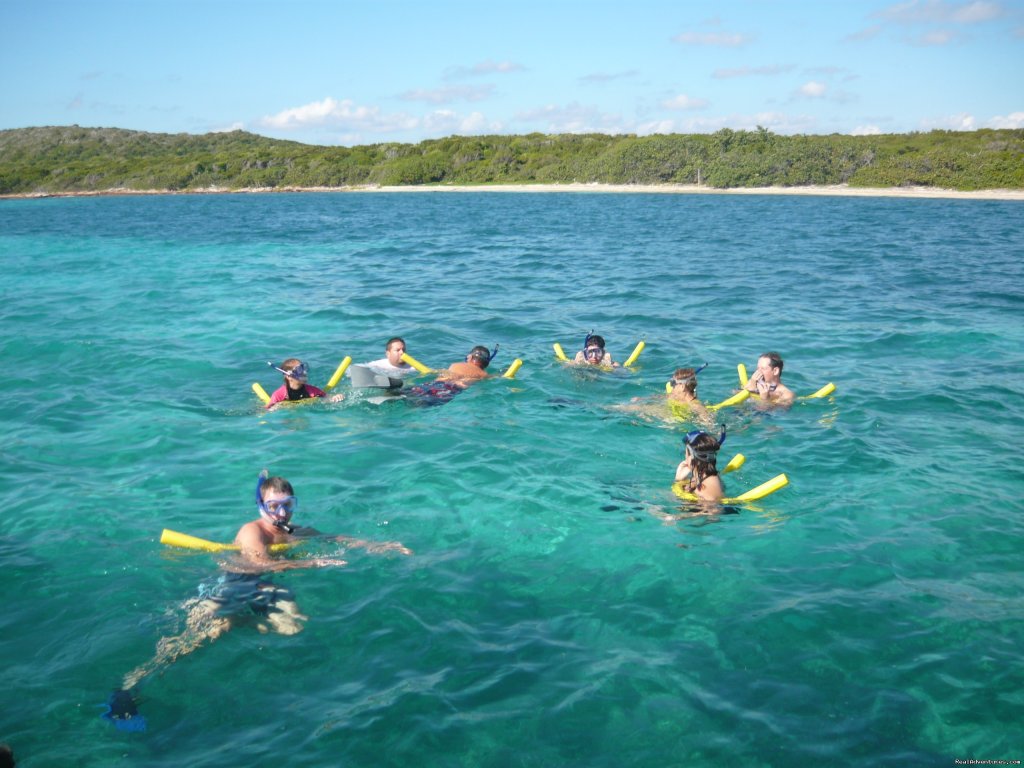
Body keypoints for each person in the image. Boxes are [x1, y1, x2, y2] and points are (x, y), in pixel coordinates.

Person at [106, 472, 410, 731]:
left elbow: (335, 538)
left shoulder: (292, 531)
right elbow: (262, 564)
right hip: (236, 585)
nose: (281, 514)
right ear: (261, 506)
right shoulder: (252, 531)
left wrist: (376, 545)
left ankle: (237, 621)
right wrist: (314, 564)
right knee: (191, 639)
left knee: (293, 627)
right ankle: (128, 688)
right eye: (273, 507)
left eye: (287, 505)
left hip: (265, 586)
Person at [406, 345, 496, 406]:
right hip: (450, 389)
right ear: (486, 363)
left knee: (404, 394)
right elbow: (500, 377)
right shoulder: (484, 374)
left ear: (471, 357)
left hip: (433, 383)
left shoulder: (455, 365)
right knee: (418, 405)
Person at [674, 427, 727, 502]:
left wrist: (677, 482)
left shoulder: (704, 489)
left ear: (691, 456)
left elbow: (713, 511)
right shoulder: (709, 475)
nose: (685, 456)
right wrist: (681, 480)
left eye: (686, 453)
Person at [265, 358, 334, 409]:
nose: (304, 373)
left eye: (303, 368)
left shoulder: (312, 391)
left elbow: (327, 397)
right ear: (288, 376)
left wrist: (334, 398)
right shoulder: (279, 395)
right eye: (299, 370)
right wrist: (272, 409)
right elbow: (267, 409)